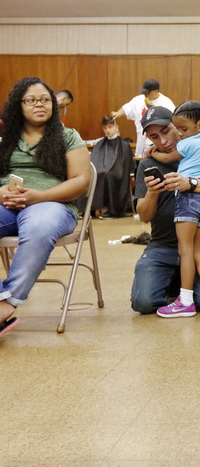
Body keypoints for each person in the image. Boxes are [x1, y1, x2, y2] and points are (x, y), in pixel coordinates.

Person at [0, 77, 91, 337]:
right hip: (7, 203)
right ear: (18, 106)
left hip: (53, 204)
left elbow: (81, 181)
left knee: (39, 225)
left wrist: (39, 196)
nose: (39, 104)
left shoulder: (67, 136)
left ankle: (8, 304)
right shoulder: (4, 139)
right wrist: (2, 193)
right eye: (31, 100)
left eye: (45, 99)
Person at [130, 106, 200, 316]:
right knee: (143, 302)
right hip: (162, 246)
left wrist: (190, 183)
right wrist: (152, 192)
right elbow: (144, 216)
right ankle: (176, 281)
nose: (163, 141)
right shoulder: (148, 164)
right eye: (154, 137)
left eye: (166, 131)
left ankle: (184, 289)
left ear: (177, 126)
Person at [86, 115, 134, 219]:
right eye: (105, 128)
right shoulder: (100, 144)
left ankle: (112, 210)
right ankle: (89, 209)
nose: (107, 130)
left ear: (116, 127)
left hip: (118, 171)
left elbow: (126, 165)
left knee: (108, 175)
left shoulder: (124, 145)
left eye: (110, 127)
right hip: (102, 170)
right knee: (91, 175)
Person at [112, 79, 175, 157]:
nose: (145, 95)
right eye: (144, 92)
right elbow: (127, 108)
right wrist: (118, 113)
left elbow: (172, 121)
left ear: (156, 91)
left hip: (157, 142)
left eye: (148, 93)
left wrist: (154, 109)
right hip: (141, 141)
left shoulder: (166, 103)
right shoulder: (138, 100)